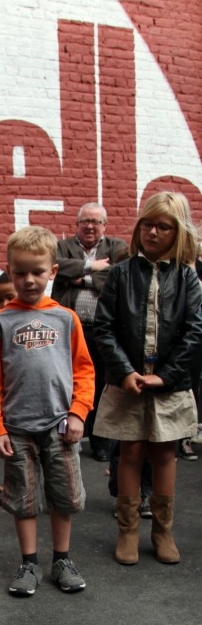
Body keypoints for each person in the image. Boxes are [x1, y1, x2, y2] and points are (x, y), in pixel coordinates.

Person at [0, 225, 94, 596]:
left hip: (61, 425)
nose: (29, 280)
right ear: (10, 272)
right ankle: (28, 563)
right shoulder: (0, 322)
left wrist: (79, 412)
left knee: (64, 496)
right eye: (20, 272)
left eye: (37, 271)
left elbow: (84, 370)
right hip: (16, 427)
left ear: (53, 272)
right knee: (23, 498)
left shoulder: (66, 319)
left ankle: (61, 559)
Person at [93, 191, 202, 565]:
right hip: (128, 381)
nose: (153, 232)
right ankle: (127, 531)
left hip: (168, 384)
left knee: (164, 452)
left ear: (178, 233)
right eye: (148, 225)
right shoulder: (122, 273)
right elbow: (103, 327)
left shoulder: (188, 278)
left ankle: (162, 530)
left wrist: (166, 377)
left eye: (164, 227)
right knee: (131, 451)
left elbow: (195, 331)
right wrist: (124, 371)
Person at [51, 203, 127, 461]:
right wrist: (93, 267)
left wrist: (80, 276)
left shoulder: (117, 248)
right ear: (77, 224)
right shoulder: (62, 246)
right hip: (69, 329)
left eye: (96, 221)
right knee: (67, 382)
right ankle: (66, 437)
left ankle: (100, 441)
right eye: (85, 221)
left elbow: (118, 277)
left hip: (102, 330)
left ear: (105, 225)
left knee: (100, 384)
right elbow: (55, 265)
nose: (90, 226)